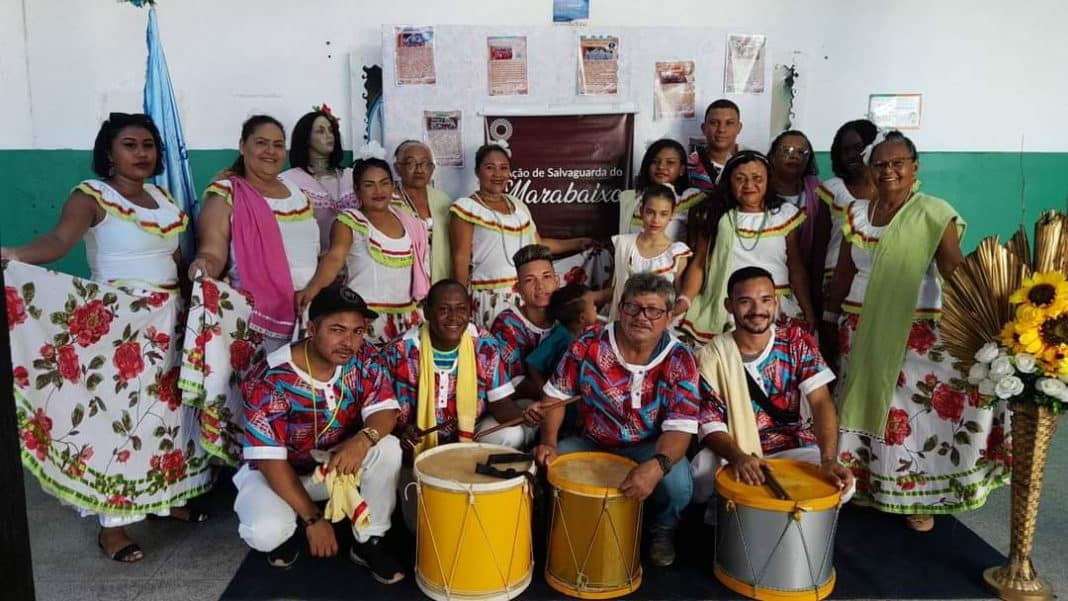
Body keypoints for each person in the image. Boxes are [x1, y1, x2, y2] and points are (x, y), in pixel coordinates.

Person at [2, 113, 208, 563]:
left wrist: (198, 305)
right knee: (120, 421)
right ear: (109, 153)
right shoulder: (91, 196)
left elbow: (174, 257)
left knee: (169, 415)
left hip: (169, 321)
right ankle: (112, 527)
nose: (141, 154)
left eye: (148, 145)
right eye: (130, 145)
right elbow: (59, 241)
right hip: (120, 328)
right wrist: (15, 255)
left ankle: (165, 496)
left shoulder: (163, 196)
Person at [826, 131, 1010, 531]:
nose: (889, 171)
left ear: (914, 167)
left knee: (916, 412)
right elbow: (844, 273)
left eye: (897, 164)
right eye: (881, 164)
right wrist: (823, 318)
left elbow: (952, 270)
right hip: (859, 327)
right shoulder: (857, 214)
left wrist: (987, 315)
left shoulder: (932, 213)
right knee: (866, 406)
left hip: (918, 330)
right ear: (870, 169)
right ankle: (867, 485)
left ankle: (918, 496)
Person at [234, 287, 405, 583]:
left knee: (387, 447)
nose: (348, 342)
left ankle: (368, 541)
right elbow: (269, 461)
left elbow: (386, 411)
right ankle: (289, 531)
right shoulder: (270, 377)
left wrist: (363, 440)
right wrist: (312, 519)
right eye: (336, 330)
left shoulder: (363, 356)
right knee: (265, 531)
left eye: (357, 331)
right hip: (280, 475)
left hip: (337, 468)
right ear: (311, 328)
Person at [532, 273, 700, 568]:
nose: (641, 317)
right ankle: (562, 532)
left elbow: (680, 430)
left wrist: (657, 465)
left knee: (678, 483)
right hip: (591, 441)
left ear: (669, 316)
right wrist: (548, 442)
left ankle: (662, 531)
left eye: (654, 311)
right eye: (633, 307)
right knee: (550, 466)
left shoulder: (680, 359)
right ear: (620, 308)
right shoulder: (589, 343)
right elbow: (555, 397)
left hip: (649, 445)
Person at [690, 267, 853, 507]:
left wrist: (828, 459)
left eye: (765, 300)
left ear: (775, 303)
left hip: (791, 446)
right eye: (746, 301)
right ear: (729, 305)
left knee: (843, 484)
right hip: (736, 449)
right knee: (700, 472)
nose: (757, 310)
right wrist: (739, 457)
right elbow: (709, 422)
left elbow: (820, 402)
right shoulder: (712, 355)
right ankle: (725, 514)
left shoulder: (796, 341)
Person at [189, 114, 319, 352]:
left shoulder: (298, 193)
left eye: (278, 145)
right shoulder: (227, 194)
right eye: (261, 143)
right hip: (254, 319)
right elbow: (212, 252)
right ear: (242, 146)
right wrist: (204, 264)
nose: (270, 151)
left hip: (305, 313)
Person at [678, 151, 816, 346]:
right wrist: (684, 300)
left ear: (769, 179)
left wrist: (808, 310)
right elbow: (699, 263)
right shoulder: (716, 216)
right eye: (740, 179)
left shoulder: (783, 215)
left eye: (757, 178)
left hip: (775, 306)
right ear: (729, 182)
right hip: (729, 306)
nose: (749, 185)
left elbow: (795, 267)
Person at [450, 141, 594, 328]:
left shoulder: (518, 206)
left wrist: (578, 243)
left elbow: (539, 244)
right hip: (490, 296)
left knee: (531, 350)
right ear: (477, 172)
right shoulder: (466, 207)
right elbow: (460, 259)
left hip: (528, 294)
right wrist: (460, 304)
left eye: (504, 168)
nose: (497, 174)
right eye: (490, 168)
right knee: (496, 351)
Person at [381, 280, 535, 452]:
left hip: (470, 433)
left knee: (511, 434)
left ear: (469, 311)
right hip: (416, 438)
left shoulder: (484, 345)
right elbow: (383, 409)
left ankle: (474, 470)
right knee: (388, 445)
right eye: (443, 309)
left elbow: (499, 403)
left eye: (461, 309)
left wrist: (527, 415)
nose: (453, 316)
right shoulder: (399, 350)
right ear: (427, 312)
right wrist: (402, 431)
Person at [296, 151, 429, 346]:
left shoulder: (409, 222)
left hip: (407, 321)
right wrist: (312, 289)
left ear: (392, 186)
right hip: (365, 319)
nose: (378, 190)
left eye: (384, 183)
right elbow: (334, 258)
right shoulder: (349, 221)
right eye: (369, 185)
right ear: (357, 190)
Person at [816, 119, 878, 364]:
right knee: (839, 352)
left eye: (858, 147)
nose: (853, 155)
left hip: (874, 280)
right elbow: (819, 246)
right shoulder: (832, 189)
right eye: (845, 150)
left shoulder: (894, 192)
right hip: (834, 285)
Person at [605, 184, 692, 320]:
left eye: (663, 214)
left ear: (672, 215)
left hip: (658, 325)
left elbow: (677, 296)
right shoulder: (624, 244)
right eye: (650, 212)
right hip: (624, 320)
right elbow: (615, 289)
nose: (656, 220)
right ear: (641, 211)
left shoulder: (676, 254)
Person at [768, 130, 830, 318]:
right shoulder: (759, 188)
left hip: (808, 274)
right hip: (770, 275)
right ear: (772, 155)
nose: (793, 156)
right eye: (786, 150)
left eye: (801, 152)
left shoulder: (818, 191)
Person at [280, 106, 357, 254]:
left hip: (355, 264)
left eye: (331, 130)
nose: (329, 135)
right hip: (312, 265)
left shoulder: (352, 176)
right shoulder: (289, 181)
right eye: (320, 131)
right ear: (306, 138)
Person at [491, 244, 559, 400]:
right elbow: (515, 382)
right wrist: (553, 399)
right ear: (518, 289)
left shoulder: (568, 315)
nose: (540, 286)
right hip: (522, 405)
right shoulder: (506, 324)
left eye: (546, 277)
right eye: (530, 280)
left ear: (557, 281)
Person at [617, 139, 705, 242]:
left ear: (682, 170)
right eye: (655, 161)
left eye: (670, 162)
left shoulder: (690, 197)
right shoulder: (631, 199)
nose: (661, 166)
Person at [392, 140, 454, 282]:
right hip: (403, 280)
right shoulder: (388, 201)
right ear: (397, 168)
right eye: (411, 163)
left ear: (432, 169)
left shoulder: (443, 201)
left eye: (425, 163)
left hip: (439, 279)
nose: (419, 169)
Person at [524, 283, 601, 394]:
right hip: (561, 398)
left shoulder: (587, 334)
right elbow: (532, 364)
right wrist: (544, 393)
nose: (595, 307)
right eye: (593, 305)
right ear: (582, 318)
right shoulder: (560, 336)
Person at [687, 99, 743, 193]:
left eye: (729, 123)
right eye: (714, 123)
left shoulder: (752, 162)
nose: (721, 129)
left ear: (739, 127)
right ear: (704, 128)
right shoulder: (690, 165)